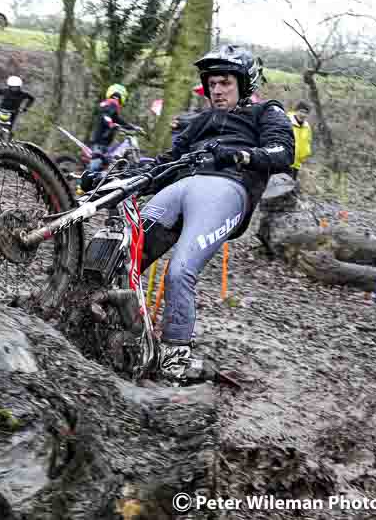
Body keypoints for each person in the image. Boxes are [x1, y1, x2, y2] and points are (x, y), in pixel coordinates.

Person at [132, 45, 294, 385]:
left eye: (225, 83)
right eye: (212, 84)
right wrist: (127, 175)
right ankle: (103, 321)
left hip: (226, 190)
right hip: (182, 186)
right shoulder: (201, 120)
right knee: (125, 254)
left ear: (244, 84)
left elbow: (282, 152)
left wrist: (242, 156)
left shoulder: (267, 111)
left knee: (179, 272)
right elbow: (166, 162)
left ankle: (176, 356)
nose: (216, 90)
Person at [87, 83, 144, 173]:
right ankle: (81, 185)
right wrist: (111, 124)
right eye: (116, 96)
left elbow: (118, 120)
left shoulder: (111, 106)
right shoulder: (109, 104)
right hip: (100, 141)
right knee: (94, 167)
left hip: (104, 141)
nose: (116, 98)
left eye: (118, 97)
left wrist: (133, 127)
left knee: (104, 165)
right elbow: (105, 116)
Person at [287, 100, 312, 182]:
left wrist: (305, 155)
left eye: (305, 113)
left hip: (296, 164)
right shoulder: (286, 121)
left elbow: (307, 142)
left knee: (290, 186)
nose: (303, 115)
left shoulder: (307, 127)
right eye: (301, 111)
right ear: (296, 111)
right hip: (285, 162)